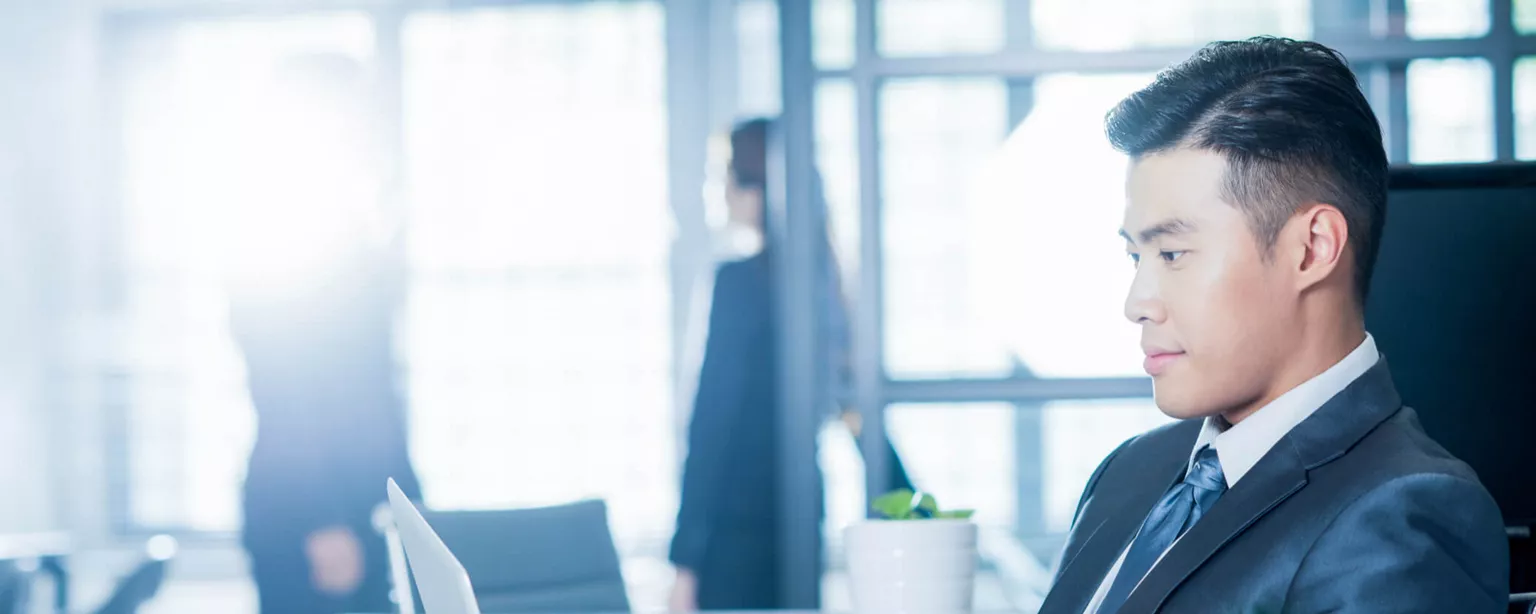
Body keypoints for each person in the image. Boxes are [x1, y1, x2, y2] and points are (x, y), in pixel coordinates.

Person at [1038, 37, 1509, 614]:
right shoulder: (1128, 472)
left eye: (1174, 255)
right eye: (1137, 257)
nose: (1137, 303)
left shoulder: (1402, 516)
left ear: (1312, 249)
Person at [667, 118, 912, 611]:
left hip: (732, 528)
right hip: (800, 515)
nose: (721, 192)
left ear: (756, 187)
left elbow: (712, 427)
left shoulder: (739, 283)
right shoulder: (822, 282)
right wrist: (914, 508)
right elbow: (853, 410)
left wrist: (685, 560)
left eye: (728, 176)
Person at [227, 54, 423, 614]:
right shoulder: (275, 235)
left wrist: (411, 508)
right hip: (313, 516)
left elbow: (373, 391)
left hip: (370, 506)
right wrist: (323, 520)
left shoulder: (352, 229)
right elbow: (284, 391)